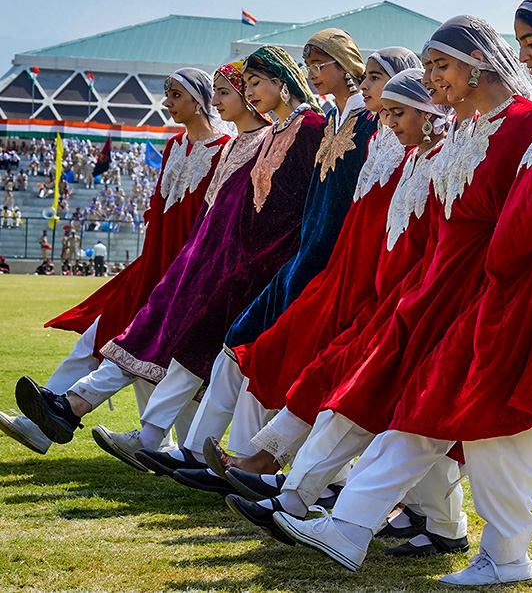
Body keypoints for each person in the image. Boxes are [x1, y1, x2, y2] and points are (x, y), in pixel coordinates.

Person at [274, 0, 532, 584]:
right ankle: (359, 527)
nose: (525, 57)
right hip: (512, 279)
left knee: (486, 417)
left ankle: (496, 554)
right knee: (446, 404)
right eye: (521, 44)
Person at [16, 46, 323, 466]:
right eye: (240, 86)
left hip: (244, 268)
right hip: (198, 264)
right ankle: (155, 439)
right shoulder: (261, 137)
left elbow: (294, 209)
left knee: (214, 360)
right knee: (177, 350)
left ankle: (193, 449)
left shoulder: (299, 130)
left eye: (239, 88)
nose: (227, 99)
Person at [135, 49, 426, 482]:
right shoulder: (333, 123)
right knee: (247, 352)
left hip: (335, 269)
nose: (365, 86)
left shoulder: (344, 127)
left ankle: (323, 482)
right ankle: (218, 455)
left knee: (305, 368)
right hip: (311, 264)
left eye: (374, 77)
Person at [0, 69, 231, 455]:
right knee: (103, 340)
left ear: (199, 99)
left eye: (175, 94)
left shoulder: (226, 149)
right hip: (151, 266)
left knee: (138, 351)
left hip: (184, 271)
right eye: (166, 94)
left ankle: (165, 444)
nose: (168, 102)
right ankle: (53, 420)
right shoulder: (174, 146)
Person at [223, 29, 377, 356]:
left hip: (337, 254)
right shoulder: (332, 118)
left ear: (345, 63)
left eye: (319, 65)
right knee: (246, 342)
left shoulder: (369, 120)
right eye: (308, 66)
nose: (312, 74)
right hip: (306, 251)